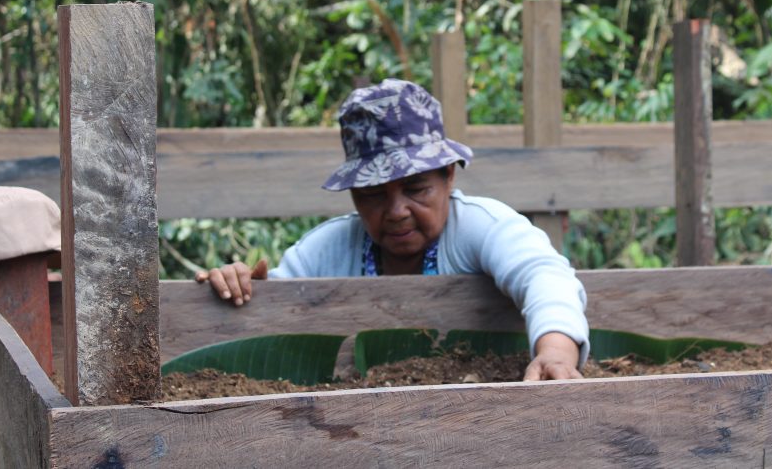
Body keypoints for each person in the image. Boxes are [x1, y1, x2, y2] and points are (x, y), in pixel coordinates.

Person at [198, 78, 589, 381]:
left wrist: (555, 351)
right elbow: (277, 305)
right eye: (373, 196)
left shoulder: (478, 226)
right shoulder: (329, 249)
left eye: (416, 189)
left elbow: (543, 275)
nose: (397, 211)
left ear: (448, 176)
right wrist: (241, 285)